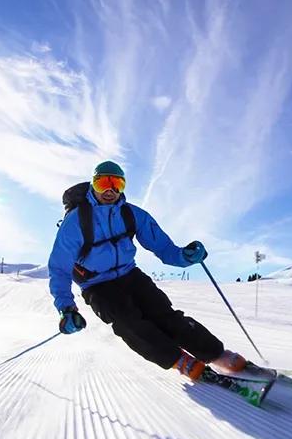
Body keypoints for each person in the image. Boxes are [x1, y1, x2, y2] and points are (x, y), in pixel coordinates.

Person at [48, 161, 247, 381]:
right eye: (103, 182)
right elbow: (59, 268)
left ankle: (217, 354)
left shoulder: (133, 215)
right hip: (97, 285)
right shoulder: (75, 222)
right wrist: (66, 308)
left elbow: (163, 248)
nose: (110, 190)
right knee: (128, 323)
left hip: (129, 274)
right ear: (93, 185)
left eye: (117, 184)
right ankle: (180, 361)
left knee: (164, 314)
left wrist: (184, 256)